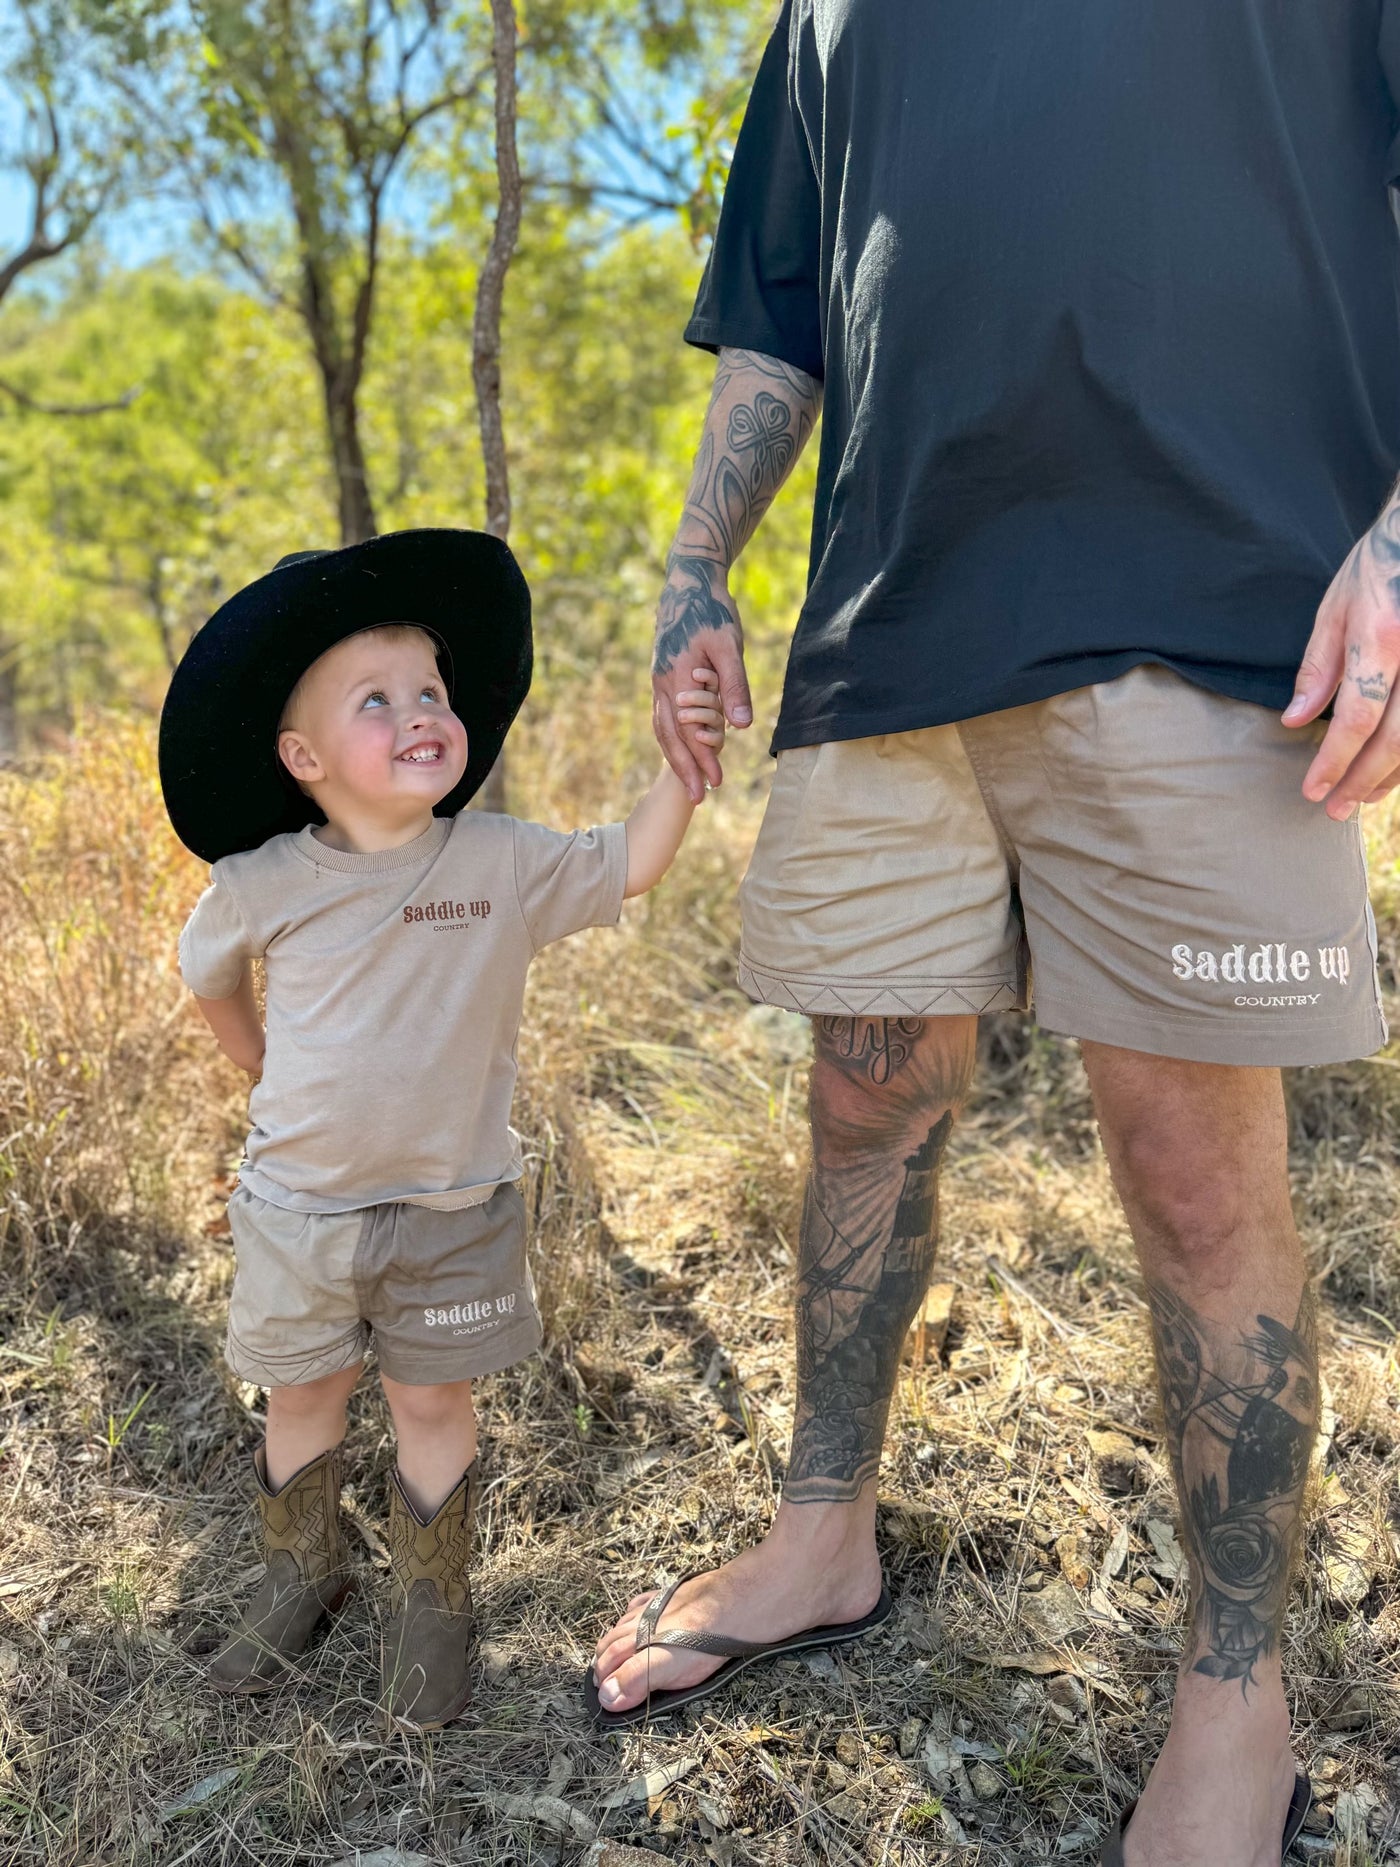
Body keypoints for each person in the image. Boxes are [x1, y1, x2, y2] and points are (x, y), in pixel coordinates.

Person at [588, 7, 1400, 1862]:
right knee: (862, 1109)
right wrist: (697, 576)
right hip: (886, 646)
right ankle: (823, 1530)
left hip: (1221, 616)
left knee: (1194, 1169)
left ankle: (1237, 1692)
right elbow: (784, 318)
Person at [159, 528, 723, 1731]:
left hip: (451, 1209)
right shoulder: (261, 881)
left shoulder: (500, 862)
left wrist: (684, 755)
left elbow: (631, 862)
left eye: (431, 689)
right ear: (303, 755)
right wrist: (258, 1062)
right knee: (301, 1391)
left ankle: (432, 1605)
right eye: (377, 699)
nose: (419, 711)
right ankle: (300, 1570)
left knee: (430, 1402)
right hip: (299, 1210)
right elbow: (205, 971)